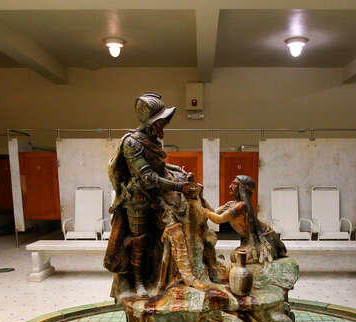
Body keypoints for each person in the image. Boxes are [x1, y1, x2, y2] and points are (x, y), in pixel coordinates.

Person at [105, 92, 201, 298]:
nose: (164, 125)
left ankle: (171, 275)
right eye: (162, 121)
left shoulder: (152, 139)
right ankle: (138, 282)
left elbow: (159, 166)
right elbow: (148, 177)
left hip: (157, 195)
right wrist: (179, 187)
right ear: (152, 122)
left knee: (174, 227)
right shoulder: (132, 143)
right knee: (140, 240)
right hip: (137, 199)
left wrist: (179, 172)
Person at [204, 175, 287, 264]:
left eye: (234, 184)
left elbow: (218, 219)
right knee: (235, 256)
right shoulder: (231, 204)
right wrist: (201, 199)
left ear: (242, 188)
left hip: (264, 237)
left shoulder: (241, 206)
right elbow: (214, 212)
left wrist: (201, 209)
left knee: (236, 256)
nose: (230, 186)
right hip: (250, 239)